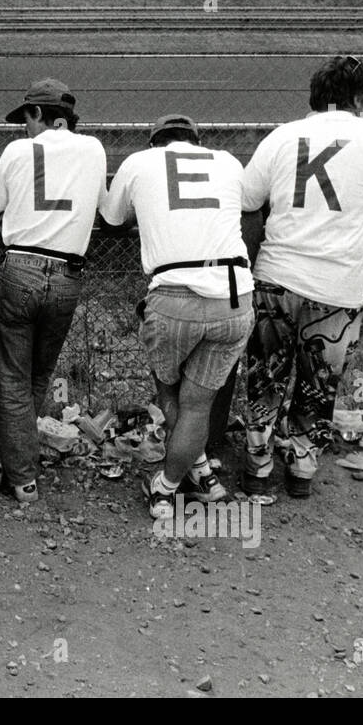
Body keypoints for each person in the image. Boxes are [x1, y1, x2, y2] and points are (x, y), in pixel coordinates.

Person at [239, 55, 363, 499]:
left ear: (315, 96)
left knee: (264, 377)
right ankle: (301, 467)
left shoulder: (282, 136)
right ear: (359, 98)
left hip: (276, 278)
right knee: (320, 383)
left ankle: (256, 467)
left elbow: (246, 200)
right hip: (338, 288)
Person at [101, 115, 254, 521]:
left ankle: (166, 488)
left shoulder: (139, 162)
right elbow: (250, 206)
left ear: (156, 144)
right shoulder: (227, 161)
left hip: (173, 293)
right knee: (198, 406)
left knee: (170, 395)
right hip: (234, 290)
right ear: (197, 141)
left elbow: (112, 221)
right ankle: (203, 477)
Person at [0, 80, 107, 503]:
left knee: (13, 375)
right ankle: (12, 455)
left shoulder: (18, 151)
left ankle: (20, 473)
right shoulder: (93, 148)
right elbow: (105, 208)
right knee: (38, 374)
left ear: (39, 114)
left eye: (25, 117)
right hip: (67, 273)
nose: (23, 126)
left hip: (19, 265)